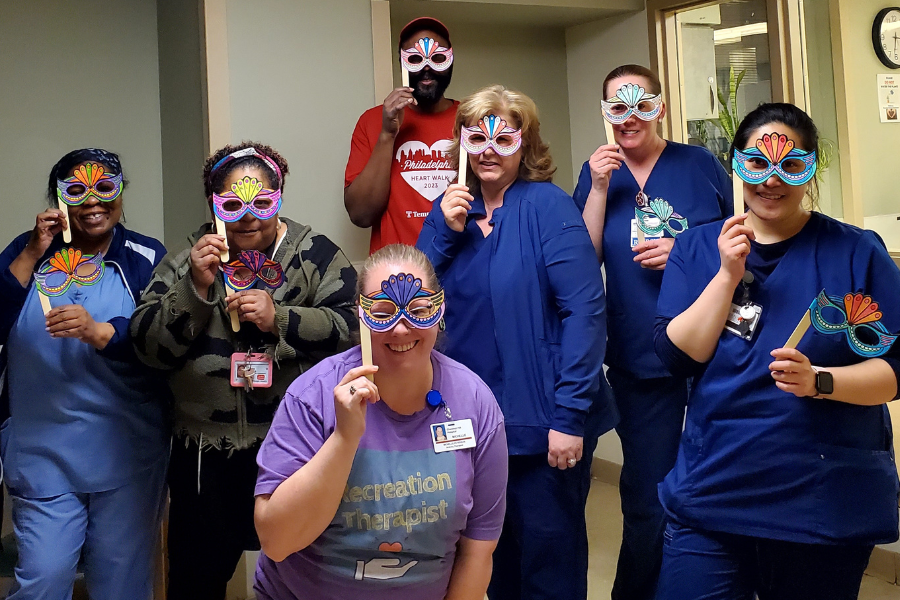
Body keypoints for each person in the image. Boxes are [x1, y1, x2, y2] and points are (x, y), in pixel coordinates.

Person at [654, 103, 900, 599]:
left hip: (819, 497)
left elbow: (895, 369)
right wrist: (726, 275)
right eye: (756, 163)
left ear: (812, 168)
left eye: (791, 165)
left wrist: (821, 382)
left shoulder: (855, 253)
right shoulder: (698, 249)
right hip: (716, 487)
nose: (771, 180)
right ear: (735, 164)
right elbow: (678, 356)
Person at [130, 141, 358, 600]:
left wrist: (282, 318)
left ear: (280, 195)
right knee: (197, 579)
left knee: (304, 573)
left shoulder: (313, 255)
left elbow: (357, 330)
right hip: (204, 453)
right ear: (214, 204)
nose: (248, 216)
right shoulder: (188, 258)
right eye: (232, 204)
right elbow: (146, 348)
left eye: (262, 202)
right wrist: (194, 288)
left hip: (296, 449)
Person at [417, 85, 617, 600]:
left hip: (546, 423)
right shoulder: (446, 216)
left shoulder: (547, 206)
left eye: (502, 137)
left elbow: (585, 309)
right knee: (487, 560)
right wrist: (442, 228)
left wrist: (569, 417)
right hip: (471, 424)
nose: (488, 148)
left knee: (547, 563)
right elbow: (409, 300)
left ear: (523, 144)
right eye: (476, 137)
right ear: (460, 143)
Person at [253, 244, 508, 599]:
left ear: (439, 309)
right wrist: (344, 439)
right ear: (361, 314)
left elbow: (478, 551)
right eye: (383, 312)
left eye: (418, 310)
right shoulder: (312, 396)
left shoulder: (476, 404)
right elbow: (277, 542)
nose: (401, 329)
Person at [571, 64, 732, 600]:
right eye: (618, 107)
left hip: (714, 352)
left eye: (642, 105)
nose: (630, 118)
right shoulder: (598, 175)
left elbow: (745, 239)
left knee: (719, 484)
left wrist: (687, 254)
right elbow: (581, 261)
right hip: (640, 358)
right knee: (648, 498)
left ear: (659, 107)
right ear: (605, 114)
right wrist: (596, 188)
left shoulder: (699, 165)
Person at [0, 148, 169, 599]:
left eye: (105, 188)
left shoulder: (147, 256)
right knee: (43, 579)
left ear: (121, 195)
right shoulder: (27, 250)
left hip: (126, 450)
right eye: (77, 190)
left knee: (122, 585)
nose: (93, 201)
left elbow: (169, 341)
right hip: (42, 451)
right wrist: (35, 250)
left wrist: (104, 334)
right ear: (59, 199)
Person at [344, 17, 459, 253]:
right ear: (402, 64)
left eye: (437, 58)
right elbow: (360, 214)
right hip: (395, 273)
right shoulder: (372, 121)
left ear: (450, 60)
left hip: (461, 268)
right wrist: (387, 134)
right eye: (415, 59)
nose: (427, 67)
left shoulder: (470, 121)